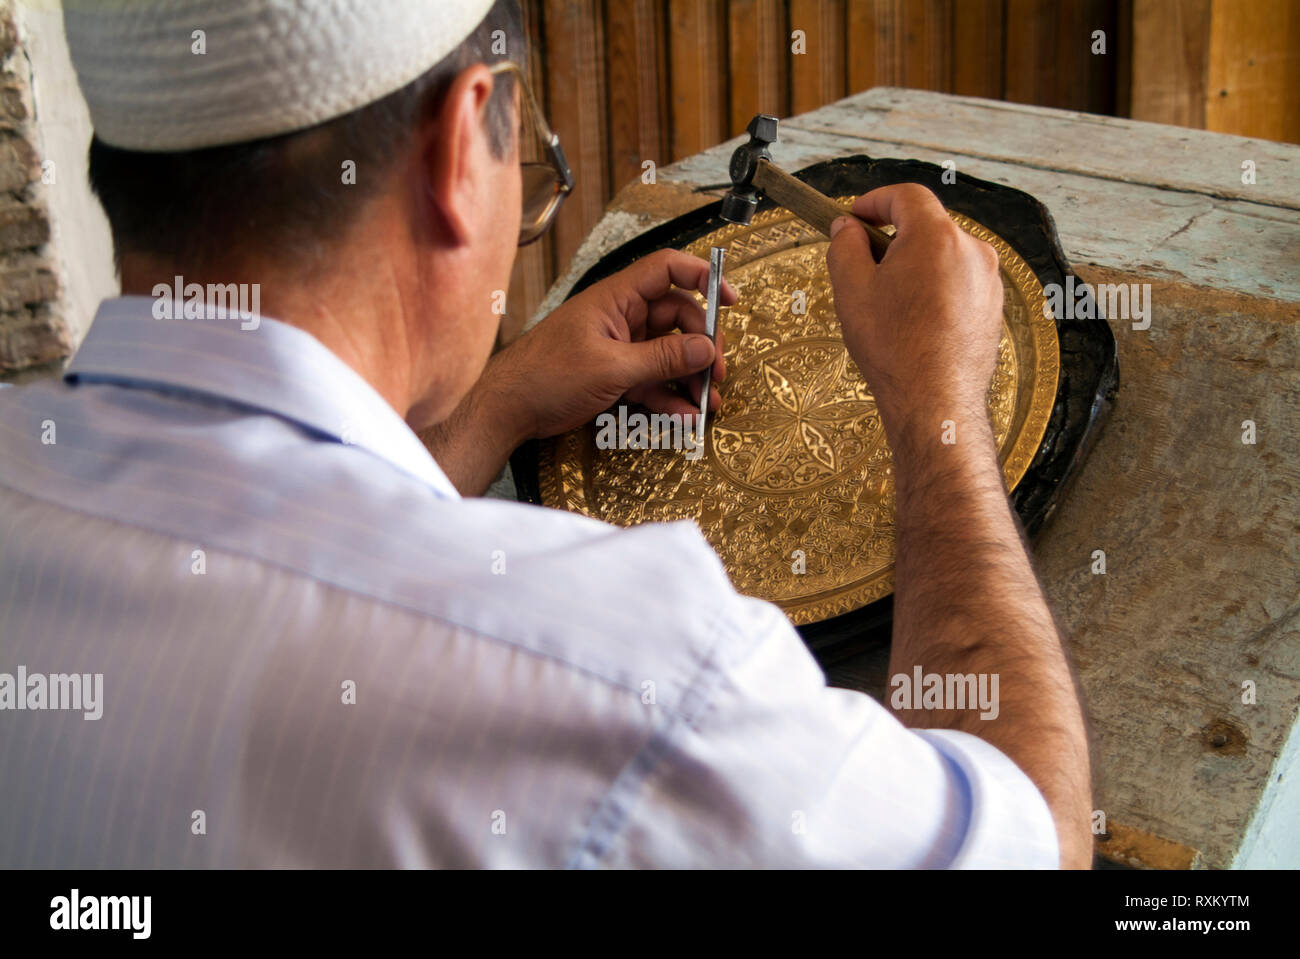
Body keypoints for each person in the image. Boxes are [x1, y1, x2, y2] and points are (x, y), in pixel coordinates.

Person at [0, 0, 1090, 868]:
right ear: (454, 149)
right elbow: (1029, 837)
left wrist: (504, 399)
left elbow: (281, 561)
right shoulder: (630, 671)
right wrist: (937, 401)